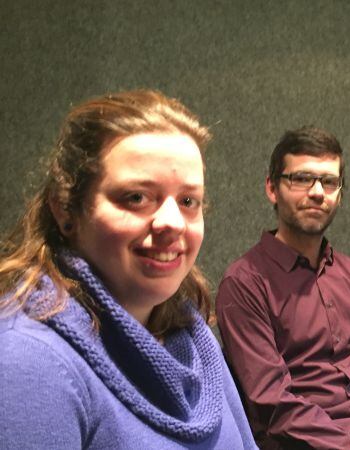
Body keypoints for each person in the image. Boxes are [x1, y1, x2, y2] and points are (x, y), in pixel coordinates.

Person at [0, 90, 257, 449]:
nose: (172, 222)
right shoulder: (28, 362)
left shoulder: (194, 335)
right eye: (136, 197)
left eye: (188, 201)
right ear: (64, 210)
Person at [216, 126, 350, 450]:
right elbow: (273, 403)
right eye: (301, 179)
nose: (317, 192)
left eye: (329, 182)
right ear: (272, 188)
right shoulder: (243, 283)